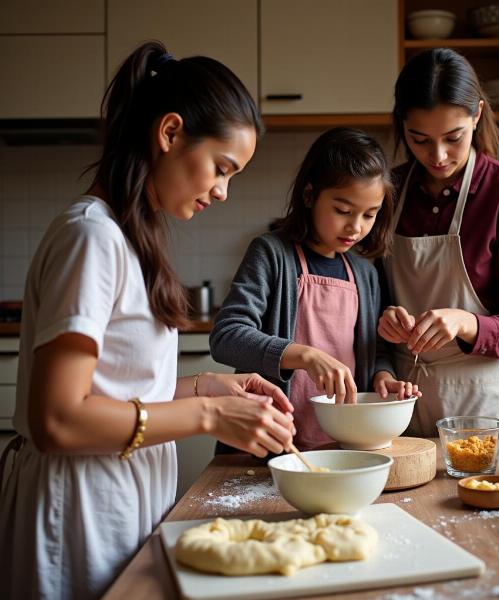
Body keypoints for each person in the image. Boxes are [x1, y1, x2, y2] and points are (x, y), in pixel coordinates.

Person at [0, 41, 295, 600]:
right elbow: (58, 419)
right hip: (78, 513)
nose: (222, 191)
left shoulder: (129, 237)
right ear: (170, 133)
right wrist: (208, 415)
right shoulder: (91, 237)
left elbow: (116, 389)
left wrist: (209, 385)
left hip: (116, 499)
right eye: (220, 168)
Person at [210, 127, 420, 452]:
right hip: (265, 444)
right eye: (343, 211)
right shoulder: (271, 253)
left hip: (342, 445)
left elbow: (375, 351)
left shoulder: (365, 272)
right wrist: (306, 356)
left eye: (369, 215)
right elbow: (226, 337)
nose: (356, 227)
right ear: (309, 195)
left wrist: (382, 378)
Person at [377, 48, 499, 436]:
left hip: (482, 403)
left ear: (478, 115)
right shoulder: (388, 191)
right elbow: (366, 300)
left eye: (453, 138)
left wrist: (465, 322)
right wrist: (384, 319)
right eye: (418, 139)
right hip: (400, 398)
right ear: (401, 124)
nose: (437, 156)